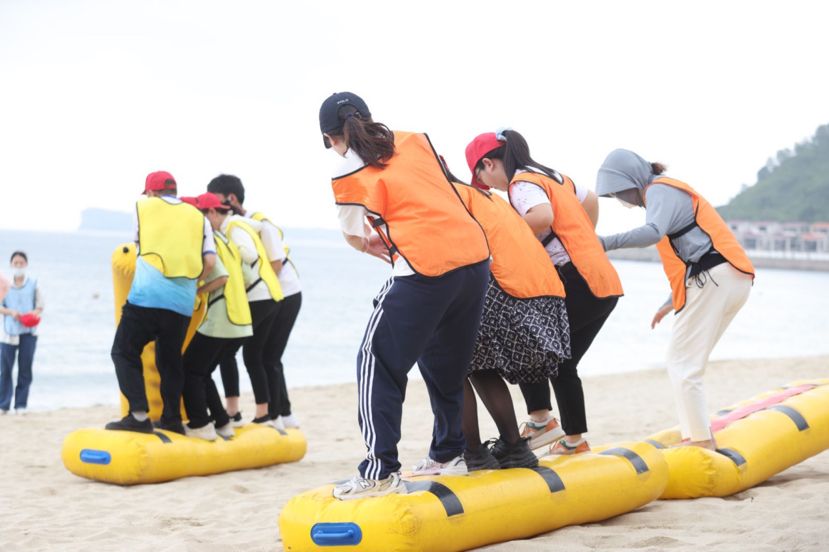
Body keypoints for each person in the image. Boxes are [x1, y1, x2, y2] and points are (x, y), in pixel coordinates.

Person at [321, 91, 490, 499]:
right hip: (474, 258)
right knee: (443, 359)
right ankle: (450, 452)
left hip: (425, 268)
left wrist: (370, 246)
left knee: (375, 360)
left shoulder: (348, 171)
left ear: (331, 138)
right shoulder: (415, 141)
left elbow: (353, 233)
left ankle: (378, 471)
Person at [467, 130, 623, 455]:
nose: (489, 186)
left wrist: (511, 236)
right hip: (601, 278)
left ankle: (540, 420)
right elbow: (590, 199)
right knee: (562, 360)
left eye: (483, 177)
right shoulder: (554, 176)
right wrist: (581, 239)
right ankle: (574, 441)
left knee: (529, 341)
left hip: (576, 278)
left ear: (488, 164)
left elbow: (542, 217)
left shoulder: (520, 184)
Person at [595, 149, 754, 450]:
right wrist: (672, 300)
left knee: (682, 363)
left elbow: (652, 233)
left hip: (715, 278)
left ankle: (701, 441)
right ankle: (698, 434)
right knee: (688, 362)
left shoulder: (658, 190)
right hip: (733, 278)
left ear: (633, 179)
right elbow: (695, 245)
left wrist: (604, 243)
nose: (622, 200)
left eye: (620, 192)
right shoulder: (668, 190)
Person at [445, 166, 571, 470]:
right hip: (546, 298)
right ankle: (514, 446)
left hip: (506, 293)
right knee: (478, 363)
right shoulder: (486, 197)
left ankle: (474, 453)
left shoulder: (448, 199)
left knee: (450, 363)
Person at [105, 171, 216, 434]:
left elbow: (139, 247)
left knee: (123, 351)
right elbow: (209, 262)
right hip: (181, 302)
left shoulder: (143, 207)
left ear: (152, 193)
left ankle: (139, 415)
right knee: (170, 361)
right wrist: (191, 284)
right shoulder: (198, 217)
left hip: (147, 296)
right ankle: (172, 419)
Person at [207, 175, 301, 428]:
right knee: (263, 355)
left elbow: (276, 264)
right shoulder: (238, 225)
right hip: (271, 294)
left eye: (216, 202)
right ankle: (280, 413)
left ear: (231, 199)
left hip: (285, 294)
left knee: (265, 355)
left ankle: (276, 414)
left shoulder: (258, 222)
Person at [181, 193, 254, 441]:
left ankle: (201, 423)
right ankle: (222, 422)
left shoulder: (208, 239)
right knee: (203, 370)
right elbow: (246, 278)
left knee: (189, 368)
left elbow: (220, 276)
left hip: (221, 319)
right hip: (241, 321)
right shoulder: (226, 240)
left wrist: (195, 290)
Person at [0, 251, 44, 415]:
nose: (18, 266)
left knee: (25, 370)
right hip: (8, 334)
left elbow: (40, 305)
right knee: (5, 370)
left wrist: (33, 314)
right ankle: (3, 405)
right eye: (15, 263)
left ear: (26, 264)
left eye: (21, 263)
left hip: (28, 332)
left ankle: (20, 405)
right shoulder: (3, 285)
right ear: (11, 265)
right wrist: (10, 312)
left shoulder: (33, 283)